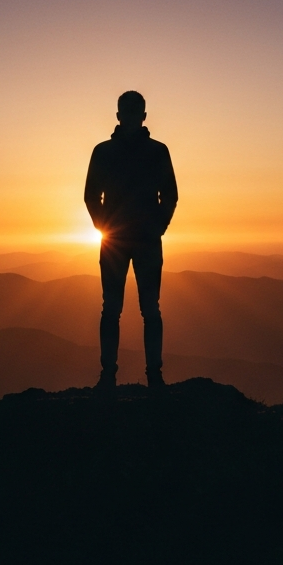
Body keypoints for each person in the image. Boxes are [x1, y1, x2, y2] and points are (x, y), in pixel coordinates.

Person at [84, 90, 178, 389]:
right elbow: (91, 196)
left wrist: (156, 228)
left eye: (134, 113)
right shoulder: (116, 152)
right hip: (126, 241)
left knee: (141, 309)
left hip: (132, 241)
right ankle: (117, 376)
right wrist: (107, 228)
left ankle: (143, 375)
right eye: (128, 113)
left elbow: (170, 195)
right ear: (120, 116)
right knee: (120, 309)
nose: (131, 118)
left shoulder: (147, 151)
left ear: (142, 116)